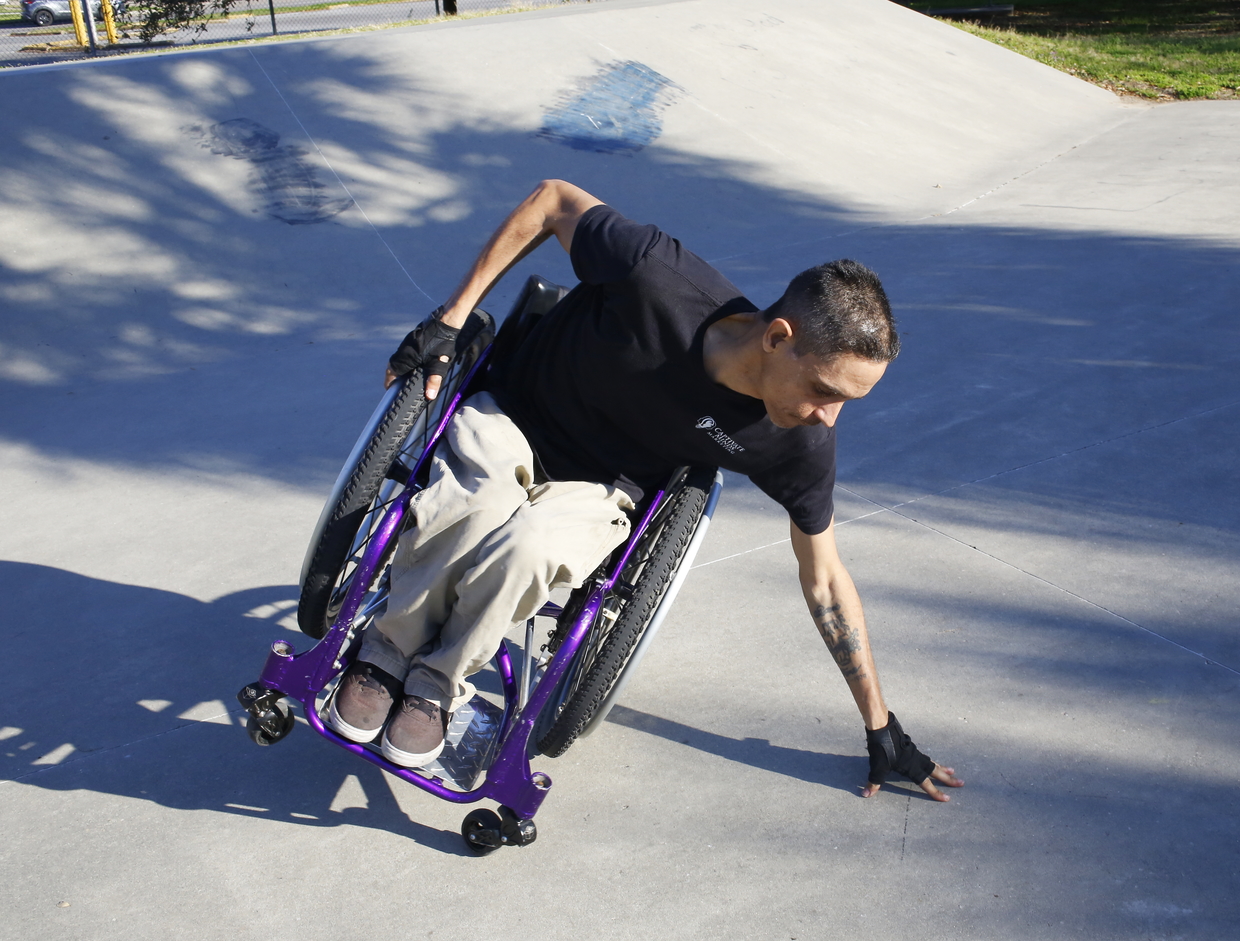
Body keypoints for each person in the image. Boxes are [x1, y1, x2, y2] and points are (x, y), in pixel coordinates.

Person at [328, 179, 963, 802]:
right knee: (477, 509)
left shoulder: (796, 441)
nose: (831, 417)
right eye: (828, 390)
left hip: (603, 488)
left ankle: (435, 683)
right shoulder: (656, 276)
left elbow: (825, 579)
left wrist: (881, 726)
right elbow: (552, 199)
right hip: (514, 417)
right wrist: (453, 316)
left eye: (848, 401)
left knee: (530, 546)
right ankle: (387, 649)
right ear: (777, 338)